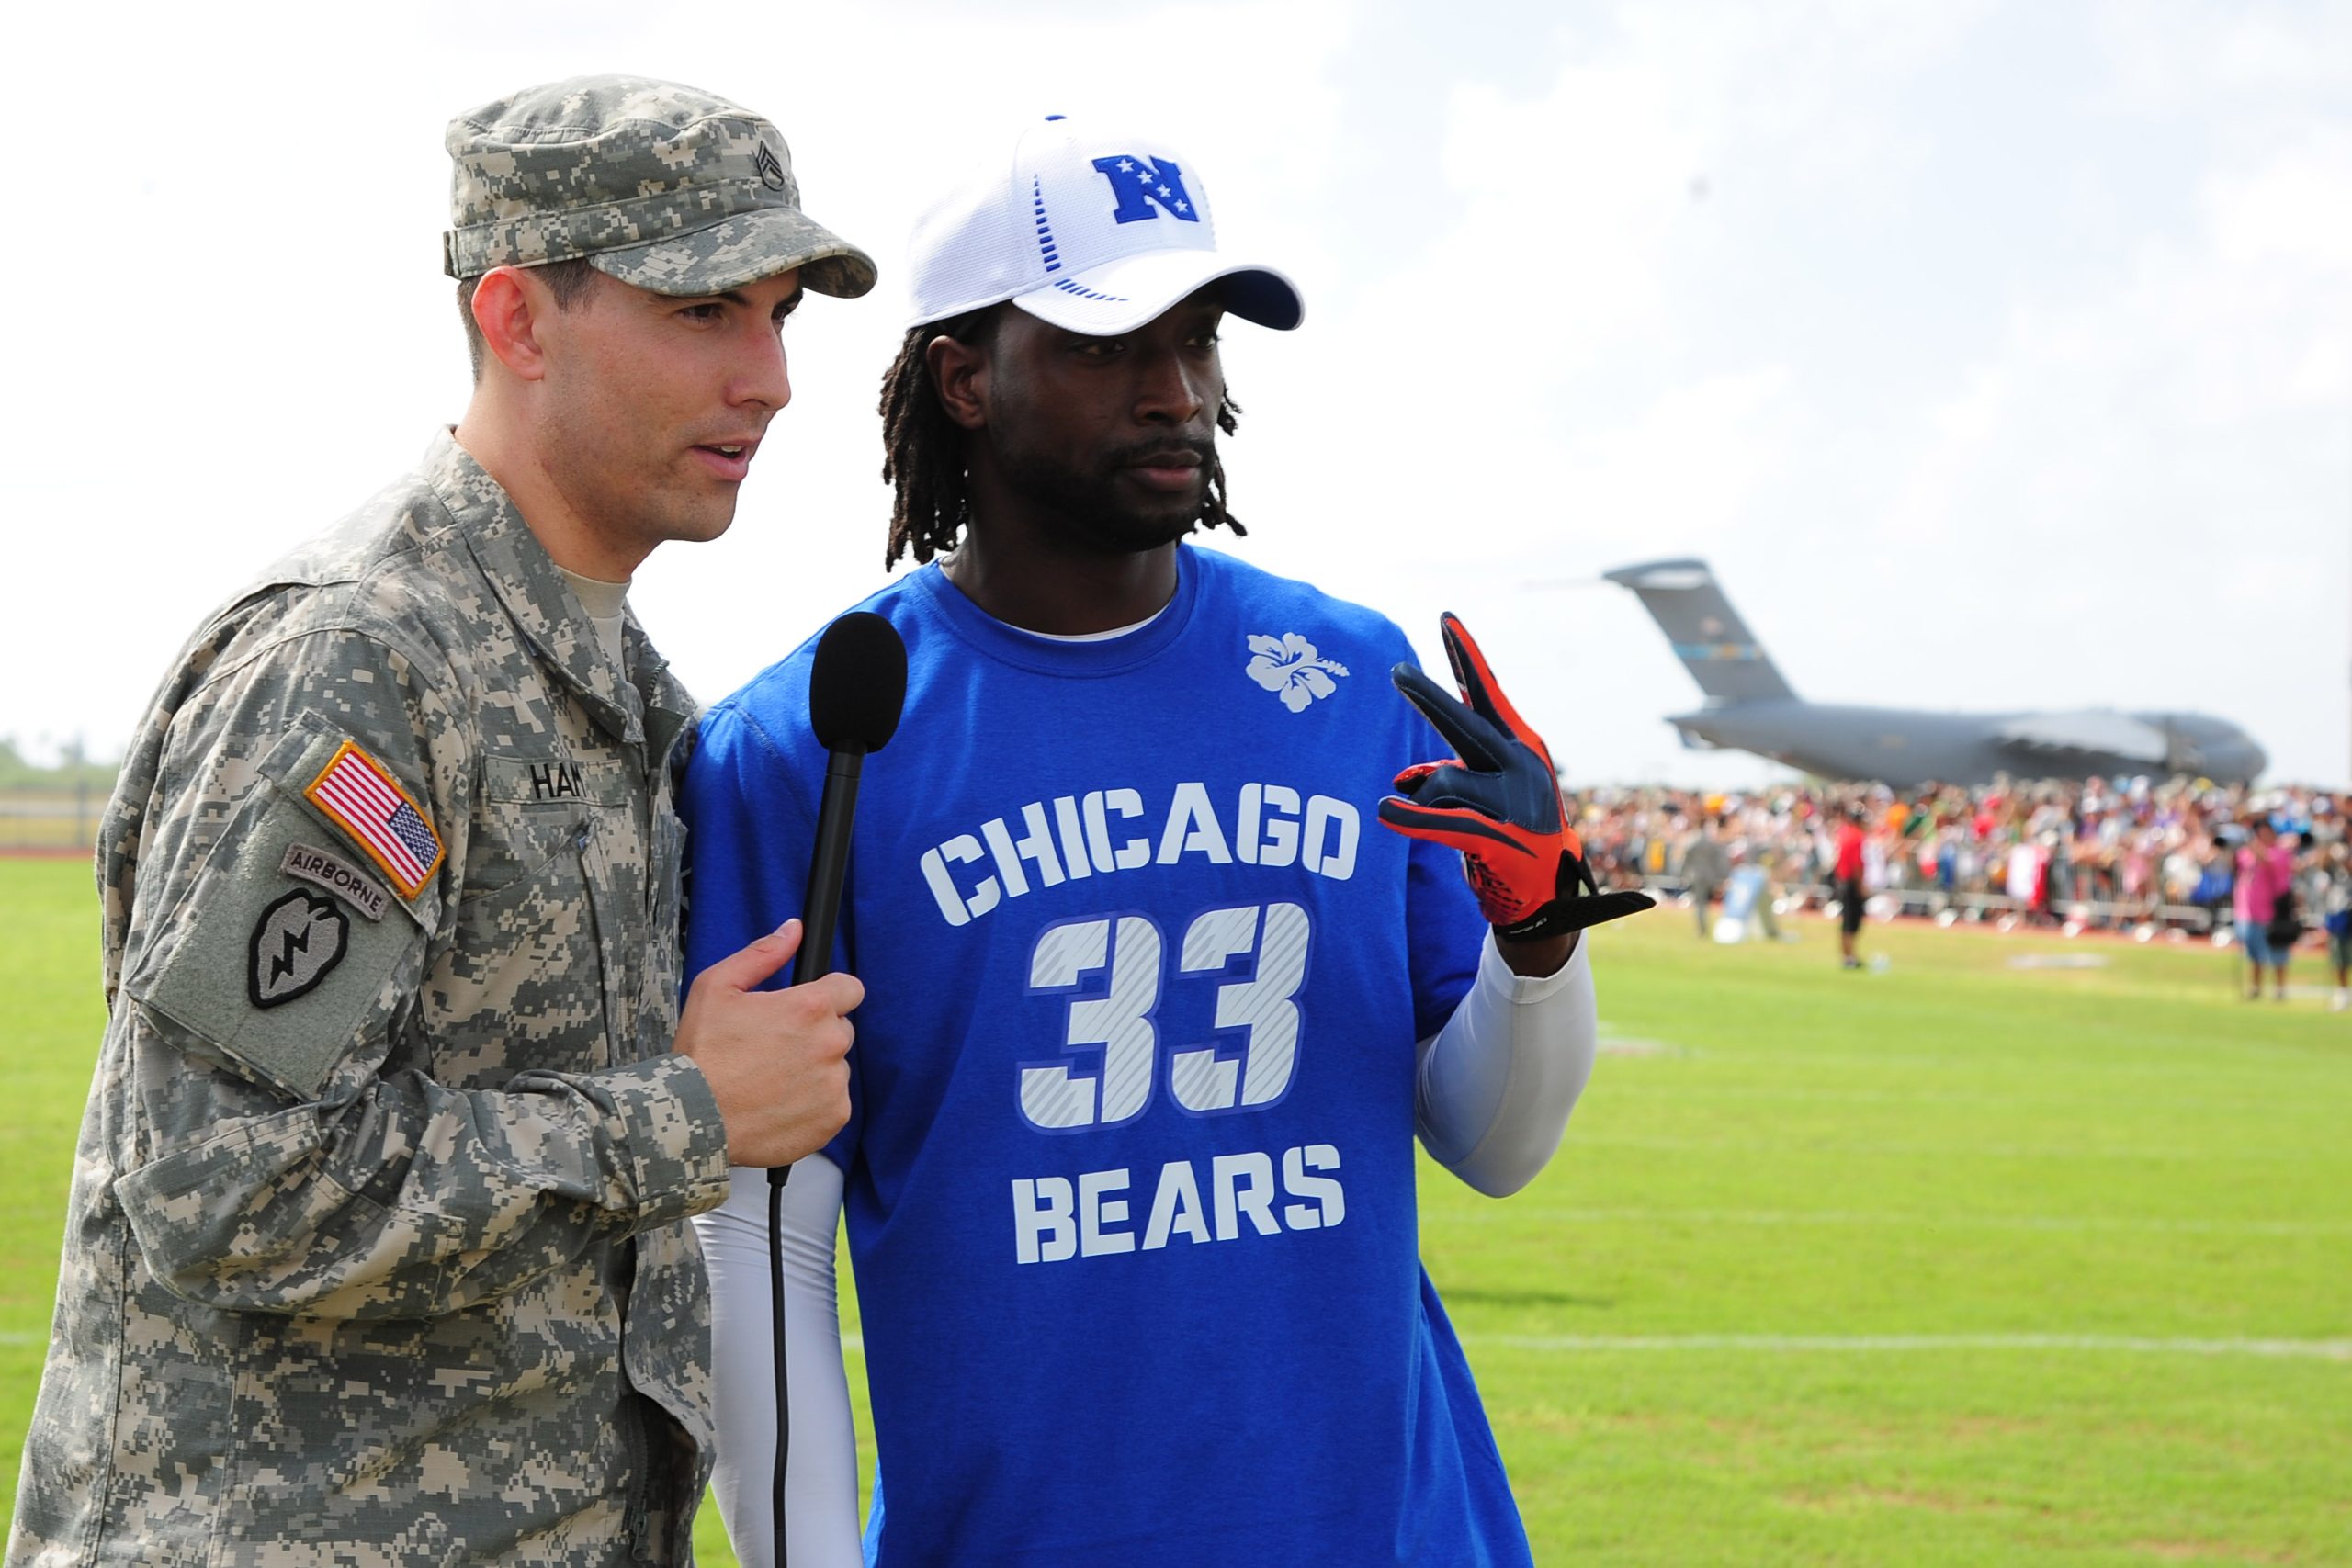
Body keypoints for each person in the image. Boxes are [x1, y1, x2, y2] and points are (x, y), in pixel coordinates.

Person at [682, 116, 1652, 1567]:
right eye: (1106, 343)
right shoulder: (808, 738)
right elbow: (763, 1237)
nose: (1176, 390)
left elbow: (1495, 1145)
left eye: (1197, 339)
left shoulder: (1348, 675)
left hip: (1389, 1533)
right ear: (963, 378)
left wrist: (1538, 939)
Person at [6, 76, 876, 1566]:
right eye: (701, 311)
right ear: (518, 318)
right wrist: (682, 1113)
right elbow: (222, 1177)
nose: (771, 378)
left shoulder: (624, 689)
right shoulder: (362, 663)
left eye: (778, 315)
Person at [2233, 817, 2295, 1001]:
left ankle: (2280, 989)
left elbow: (2271, 865)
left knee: (2278, 951)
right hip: (2248, 911)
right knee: (2254, 953)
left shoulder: (2280, 852)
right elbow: (2239, 866)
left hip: (2274, 911)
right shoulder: (2246, 853)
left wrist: (2257, 851)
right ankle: (2256, 987)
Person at [1681, 814, 1731, 937]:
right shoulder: (1712, 843)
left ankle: (1702, 930)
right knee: (1709, 904)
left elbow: (1687, 859)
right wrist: (1722, 877)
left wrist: (1684, 874)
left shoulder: (1693, 841)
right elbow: (1720, 862)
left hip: (1697, 876)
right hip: (1710, 877)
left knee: (1700, 904)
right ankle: (1706, 928)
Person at [1834, 799, 1869, 968]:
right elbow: (1856, 864)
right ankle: (1849, 956)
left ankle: (1848, 955)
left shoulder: (1843, 833)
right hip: (1851, 882)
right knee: (1852, 921)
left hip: (1842, 880)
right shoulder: (1856, 836)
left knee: (1847, 921)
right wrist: (1861, 884)